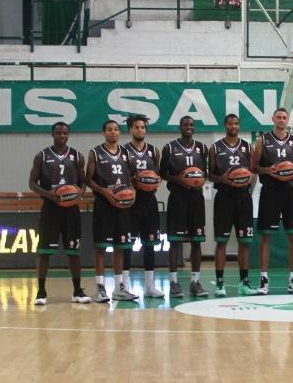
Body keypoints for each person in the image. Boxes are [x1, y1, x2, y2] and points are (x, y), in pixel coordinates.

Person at [29, 122, 92, 305]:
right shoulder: (42, 156)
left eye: (65, 133)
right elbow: (32, 183)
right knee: (44, 252)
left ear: (68, 134)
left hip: (71, 209)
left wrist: (79, 192)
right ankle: (41, 291)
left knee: (74, 251)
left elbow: (83, 182)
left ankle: (77, 291)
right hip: (51, 208)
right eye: (58, 133)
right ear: (53, 134)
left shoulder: (77, 156)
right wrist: (50, 195)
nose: (62, 135)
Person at [208, 114, 264, 297]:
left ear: (239, 126)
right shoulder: (215, 148)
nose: (233, 126)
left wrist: (248, 186)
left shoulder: (248, 147)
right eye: (230, 123)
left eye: (236, 123)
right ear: (225, 125)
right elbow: (210, 175)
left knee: (245, 242)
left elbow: (254, 172)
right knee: (221, 242)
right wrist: (222, 179)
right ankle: (220, 283)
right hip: (224, 197)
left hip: (243, 198)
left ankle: (244, 282)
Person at [253, 108, 293, 294]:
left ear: (287, 120)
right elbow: (254, 167)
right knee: (266, 236)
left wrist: (291, 171)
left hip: (290, 191)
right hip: (270, 191)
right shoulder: (263, 140)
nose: (282, 120)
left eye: (284, 117)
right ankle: (264, 280)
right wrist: (269, 170)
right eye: (279, 117)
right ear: (273, 119)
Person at [86, 120, 137, 302]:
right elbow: (88, 179)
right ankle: (100, 287)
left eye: (116, 129)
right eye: (109, 130)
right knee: (101, 247)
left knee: (120, 247)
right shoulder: (95, 153)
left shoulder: (126, 153)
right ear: (104, 132)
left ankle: (119, 288)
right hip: (103, 204)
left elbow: (132, 178)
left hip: (122, 206)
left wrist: (133, 191)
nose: (113, 132)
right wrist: (104, 191)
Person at [160, 116, 209, 299]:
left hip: (196, 198)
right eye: (185, 125)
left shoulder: (202, 148)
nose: (189, 127)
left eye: (191, 125)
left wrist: (197, 179)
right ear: (180, 127)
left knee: (197, 241)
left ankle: (195, 282)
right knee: (175, 242)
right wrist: (179, 179)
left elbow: (206, 173)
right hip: (178, 198)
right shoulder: (169, 148)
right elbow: (162, 174)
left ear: (194, 128)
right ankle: (173, 283)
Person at [123, 114, 164, 298]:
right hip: (130, 201)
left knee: (150, 244)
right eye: (136, 127)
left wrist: (154, 181)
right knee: (127, 245)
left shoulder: (154, 151)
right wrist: (133, 182)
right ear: (130, 129)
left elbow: (158, 175)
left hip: (149, 201)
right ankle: (124, 286)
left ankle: (149, 286)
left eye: (142, 127)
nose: (140, 130)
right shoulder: (123, 151)